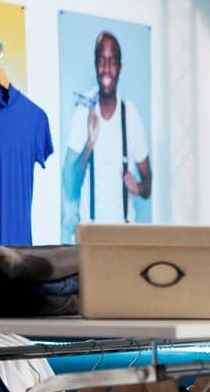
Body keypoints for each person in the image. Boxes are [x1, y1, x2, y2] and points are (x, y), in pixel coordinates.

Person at [61, 31, 151, 241]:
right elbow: (69, 183)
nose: (106, 69)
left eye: (112, 62)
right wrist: (89, 145)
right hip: (90, 237)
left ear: (120, 67)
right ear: (95, 65)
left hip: (125, 238)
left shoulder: (131, 115)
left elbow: (148, 185)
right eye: (101, 61)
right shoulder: (83, 113)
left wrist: (138, 187)